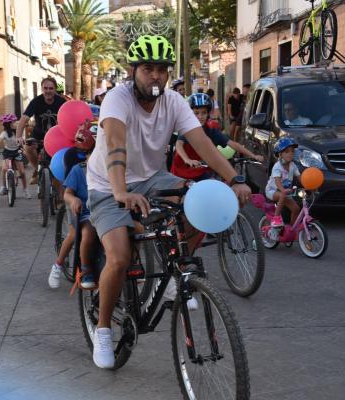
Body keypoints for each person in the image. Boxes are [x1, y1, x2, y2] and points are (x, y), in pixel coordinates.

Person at [86, 34, 251, 369]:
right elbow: (116, 143)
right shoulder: (117, 100)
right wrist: (119, 192)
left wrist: (234, 180)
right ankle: (103, 329)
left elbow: (203, 144)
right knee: (118, 257)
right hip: (107, 183)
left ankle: (178, 273)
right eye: (148, 69)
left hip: (151, 178)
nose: (156, 76)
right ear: (134, 71)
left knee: (196, 203)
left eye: (162, 69)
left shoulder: (174, 101)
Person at [171, 93, 264, 181]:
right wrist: (187, 160)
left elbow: (233, 144)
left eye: (203, 113)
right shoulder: (187, 128)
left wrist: (253, 155)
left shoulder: (212, 132)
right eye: (196, 113)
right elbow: (179, 144)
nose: (200, 116)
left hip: (201, 172)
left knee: (216, 188)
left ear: (208, 114)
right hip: (181, 173)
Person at [50, 126, 97, 289]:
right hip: (82, 208)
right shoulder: (78, 167)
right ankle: (60, 265)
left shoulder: (112, 168)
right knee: (76, 233)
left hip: (103, 209)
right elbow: (68, 192)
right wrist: (73, 199)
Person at [16, 77, 66, 184]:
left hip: (56, 137)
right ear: (42, 89)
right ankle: (37, 169)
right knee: (28, 147)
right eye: (45, 88)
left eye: (51, 88)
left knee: (58, 168)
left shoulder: (62, 102)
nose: (48, 91)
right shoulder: (36, 102)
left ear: (55, 89)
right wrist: (19, 136)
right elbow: (24, 119)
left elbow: (69, 119)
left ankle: (60, 194)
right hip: (38, 135)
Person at [0, 114, 31, 199]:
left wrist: (25, 150)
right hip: (7, 153)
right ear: (9, 124)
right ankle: (4, 187)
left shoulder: (18, 132)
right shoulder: (4, 133)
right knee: (4, 169)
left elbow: (22, 143)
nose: (16, 124)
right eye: (14, 122)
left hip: (17, 152)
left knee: (22, 172)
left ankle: (25, 190)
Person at [265, 137, 301, 227]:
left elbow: (300, 178)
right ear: (280, 154)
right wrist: (282, 190)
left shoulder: (293, 165)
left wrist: (310, 186)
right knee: (282, 195)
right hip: (272, 191)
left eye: (292, 151)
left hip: (284, 192)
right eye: (287, 151)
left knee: (296, 209)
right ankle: (276, 218)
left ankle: (292, 229)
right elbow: (277, 182)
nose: (290, 154)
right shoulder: (277, 167)